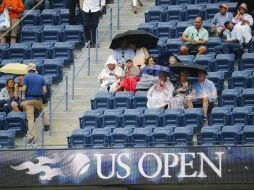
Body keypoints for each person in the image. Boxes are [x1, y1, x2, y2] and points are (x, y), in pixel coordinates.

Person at [21, 64, 49, 143]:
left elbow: (24, 89)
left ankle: (31, 136)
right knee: (41, 111)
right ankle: (46, 124)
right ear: (34, 69)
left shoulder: (26, 77)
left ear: (28, 70)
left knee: (30, 119)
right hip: (38, 99)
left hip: (29, 100)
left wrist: (20, 89)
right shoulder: (41, 77)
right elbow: (45, 91)